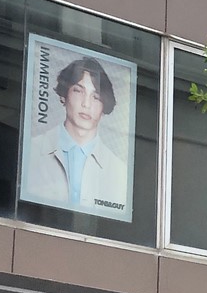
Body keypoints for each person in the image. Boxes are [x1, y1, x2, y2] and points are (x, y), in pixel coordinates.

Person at [23, 55, 131, 217]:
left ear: (104, 105)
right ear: (63, 96)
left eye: (96, 97)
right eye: (78, 91)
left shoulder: (119, 171)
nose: (86, 104)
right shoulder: (31, 151)